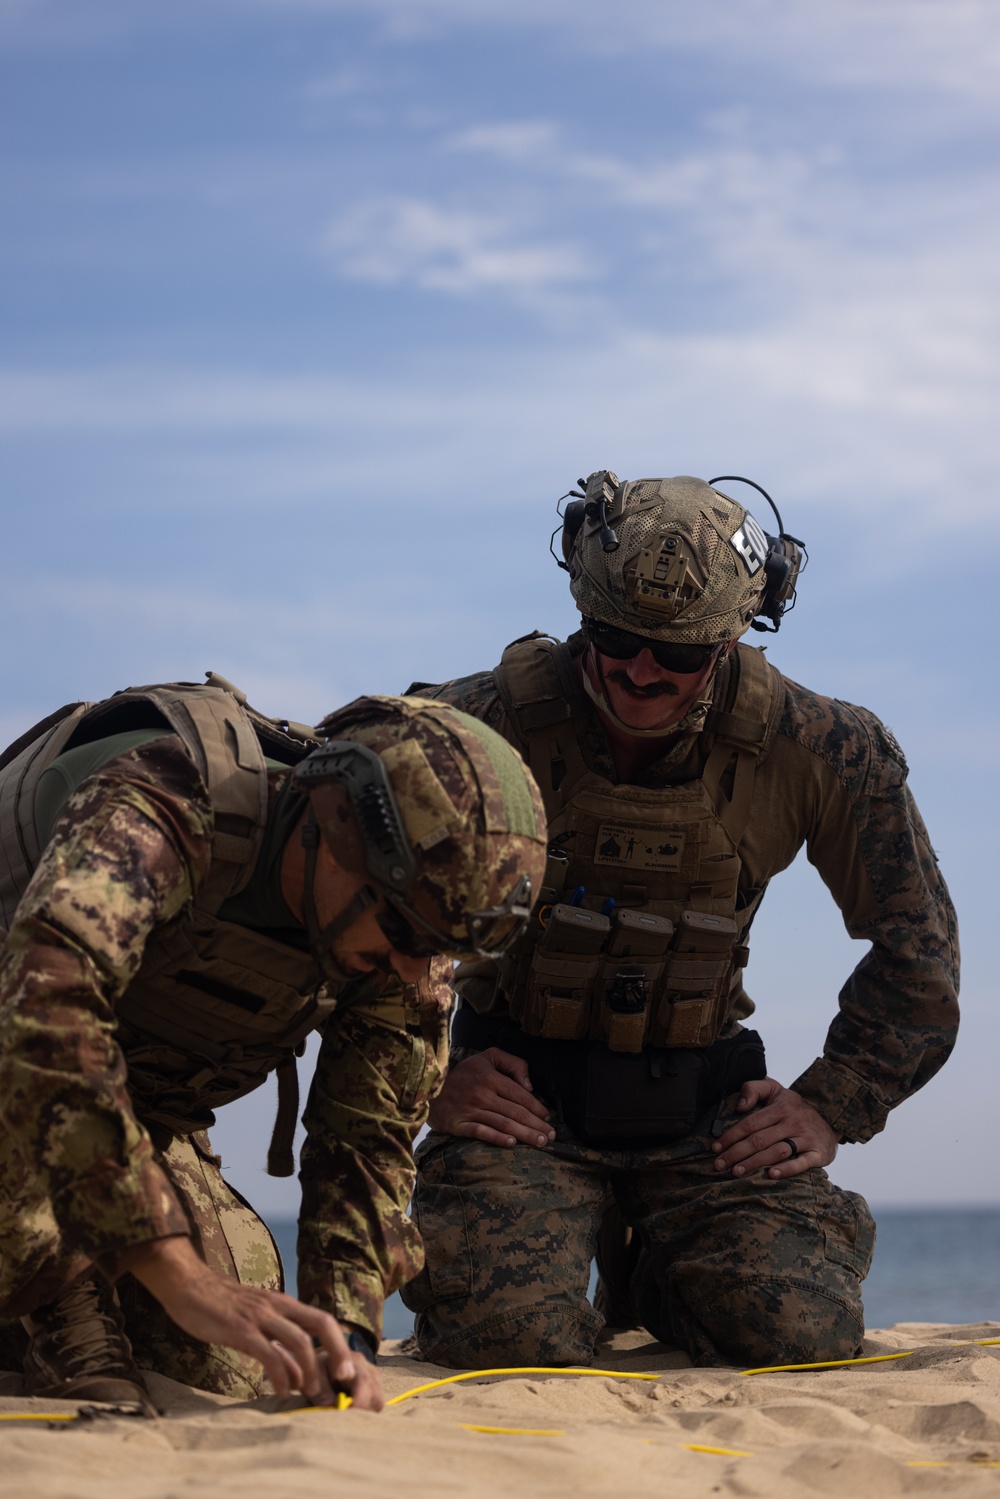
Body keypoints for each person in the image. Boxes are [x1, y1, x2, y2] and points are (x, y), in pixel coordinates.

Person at [401, 470, 960, 1370]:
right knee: (508, 1342)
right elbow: (330, 913)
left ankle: (654, 1270)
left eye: (679, 653)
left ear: (733, 637)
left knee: (798, 1333)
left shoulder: (820, 747)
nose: (639, 670)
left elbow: (920, 950)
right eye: (614, 638)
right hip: (520, 1106)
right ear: (584, 608)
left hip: (703, 1110)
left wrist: (831, 1103)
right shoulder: (469, 727)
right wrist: (427, 1079)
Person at [0, 678, 547, 1411]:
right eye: (410, 935)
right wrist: (173, 1269)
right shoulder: (164, 800)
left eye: (446, 949)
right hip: (25, 1066)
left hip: (126, 1118)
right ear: (340, 836)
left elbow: (367, 1141)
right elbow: (45, 1013)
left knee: (240, 1354)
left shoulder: (398, 924)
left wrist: (345, 1336)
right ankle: (66, 1311)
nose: (417, 969)